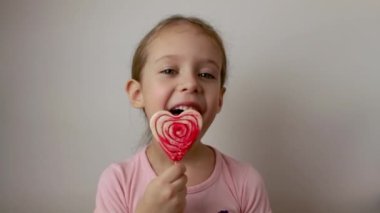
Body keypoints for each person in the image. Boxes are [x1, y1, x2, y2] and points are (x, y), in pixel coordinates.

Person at [94, 14, 272, 213]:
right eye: (169, 70)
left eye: (206, 74)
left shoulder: (245, 182)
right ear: (137, 94)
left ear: (220, 100)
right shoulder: (118, 182)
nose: (191, 84)